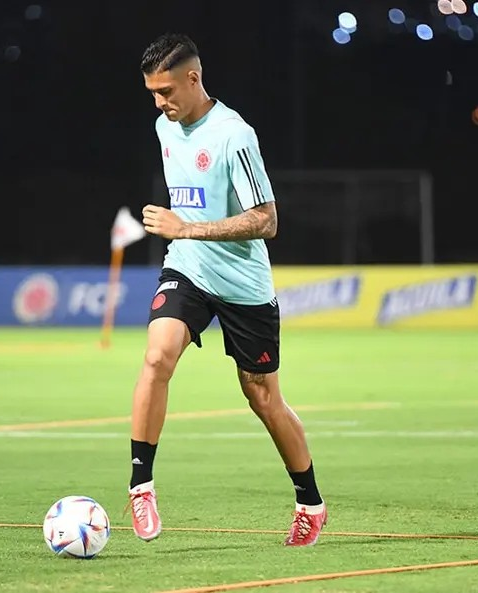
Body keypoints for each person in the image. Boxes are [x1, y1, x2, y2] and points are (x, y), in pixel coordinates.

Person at [126, 33, 327, 547]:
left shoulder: (234, 135)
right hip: (188, 269)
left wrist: (186, 227)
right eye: (152, 93)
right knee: (156, 358)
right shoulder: (162, 127)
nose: (160, 103)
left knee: (262, 396)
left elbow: (267, 220)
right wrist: (183, 238)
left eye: (166, 91)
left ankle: (309, 500)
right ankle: (140, 485)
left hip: (242, 284)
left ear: (193, 78)